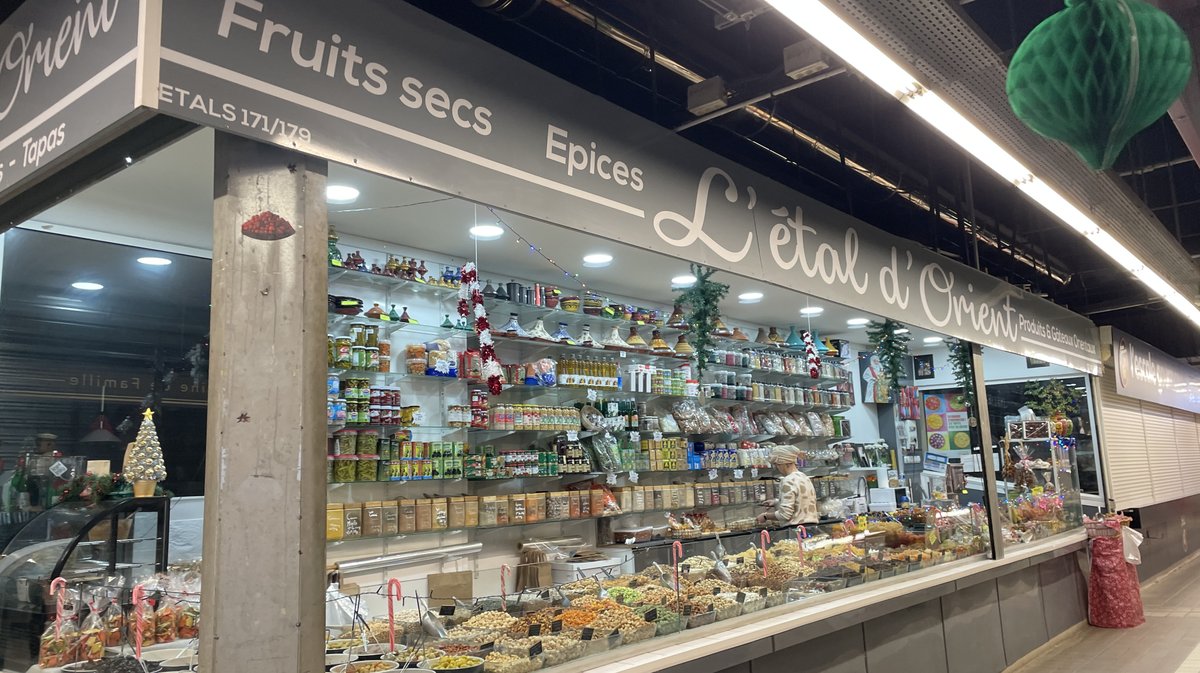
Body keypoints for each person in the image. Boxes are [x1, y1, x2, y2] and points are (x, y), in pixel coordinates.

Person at [756, 445, 819, 526]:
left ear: (786, 464)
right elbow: (799, 502)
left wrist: (765, 516)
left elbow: (785, 515)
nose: (777, 468)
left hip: (796, 530)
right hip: (811, 527)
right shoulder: (804, 477)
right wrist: (776, 502)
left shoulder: (788, 480)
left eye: (778, 465)